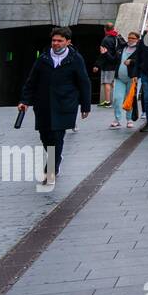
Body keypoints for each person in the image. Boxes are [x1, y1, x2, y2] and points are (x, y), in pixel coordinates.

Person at [18, 27, 91, 185]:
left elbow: (84, 83)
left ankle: (50, 170)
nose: (56, 43)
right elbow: (31, 81)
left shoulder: (75, 59)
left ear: (68, 42)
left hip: (65, 104)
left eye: (60, 41)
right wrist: (24, 100)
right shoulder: (43, 58)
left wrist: (86, 106)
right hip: (43, 104)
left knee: (57, 136)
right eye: (54, 40)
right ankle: (56, 157)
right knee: (45, 137)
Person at [111, 30, 139, 129]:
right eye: (129, 38)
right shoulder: (122, 47)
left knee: (130, 99)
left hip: (132, 79)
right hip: (119, 78)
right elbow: (114, 59)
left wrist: (131, 61)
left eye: (133, 38)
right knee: (117, 98)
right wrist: (105, 54)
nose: (130, 40)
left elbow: (141, 61)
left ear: (137, 39)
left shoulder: (140, 49)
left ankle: (129, 119)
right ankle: (117, 119)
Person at [93, 23, 125, 110]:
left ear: (105, 29)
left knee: (107, 82)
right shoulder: (117, 37)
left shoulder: (106, 39)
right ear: (113, 28)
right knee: (114, 83)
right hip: (117, 63)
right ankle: (119, 100)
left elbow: (103, 53)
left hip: (108, 64)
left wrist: (97, 65)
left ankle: (107, 102)